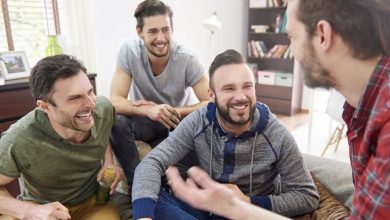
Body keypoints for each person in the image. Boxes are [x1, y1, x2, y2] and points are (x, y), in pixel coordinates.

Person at [166, 0, 390, 219]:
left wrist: (244, 206)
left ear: (323, 35)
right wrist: (237, 207)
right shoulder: (362, 112)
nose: (291, 50)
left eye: (291, 37)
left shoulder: (385, 128)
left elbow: (307, 196)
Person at [131, 49, 319, 219]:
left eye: (247, 86)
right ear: (211, 95)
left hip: (246, 213)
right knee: (152, 201)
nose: (240, 97)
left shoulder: (277, 134)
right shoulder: (198, 121)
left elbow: (308, 196)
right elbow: (152, 162)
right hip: (205, 208)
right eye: (229, 88)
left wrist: (248, 202)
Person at [0, 55, 123, 219]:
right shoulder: (19, 138)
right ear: (45, 107)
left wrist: (109, 162)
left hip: (93, 205)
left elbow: (104, 132)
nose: (90, 104)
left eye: (90, 92)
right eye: (74, 98)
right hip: (41, 208)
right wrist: (29, 212)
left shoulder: (103, 108)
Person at [109, 0, 209, 196]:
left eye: (166, 30)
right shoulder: (129, 52)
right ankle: (135, 187)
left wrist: (170, 110)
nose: (161, 38)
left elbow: (210, 102)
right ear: (139, 31)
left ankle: (166, 188)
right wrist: (148, 110)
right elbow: (114, 100)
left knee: (197, 137)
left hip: (176, 121)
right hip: (145, 121)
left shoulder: (188, 59)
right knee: (117, 121)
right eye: (153, 31)